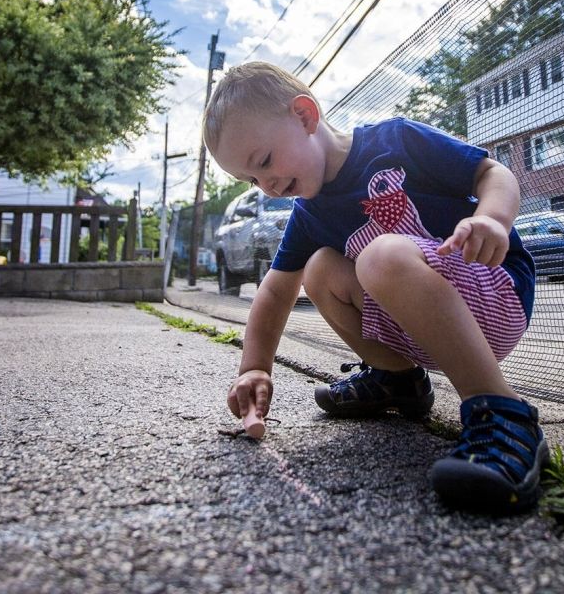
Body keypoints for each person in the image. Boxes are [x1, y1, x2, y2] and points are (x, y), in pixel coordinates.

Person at [202, 61, 545, 513]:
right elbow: (274, 292)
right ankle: (397, 380)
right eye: (251, 180)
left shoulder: (395, 140)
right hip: (424, 323)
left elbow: (493, 173)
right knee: (320, 268)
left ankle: (504, 412)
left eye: (264, 162)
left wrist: (491, 219)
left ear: (305, 116)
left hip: (492, 290)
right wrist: (254, 368)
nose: (266, 186)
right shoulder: (309, 214)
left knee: (381, 255)